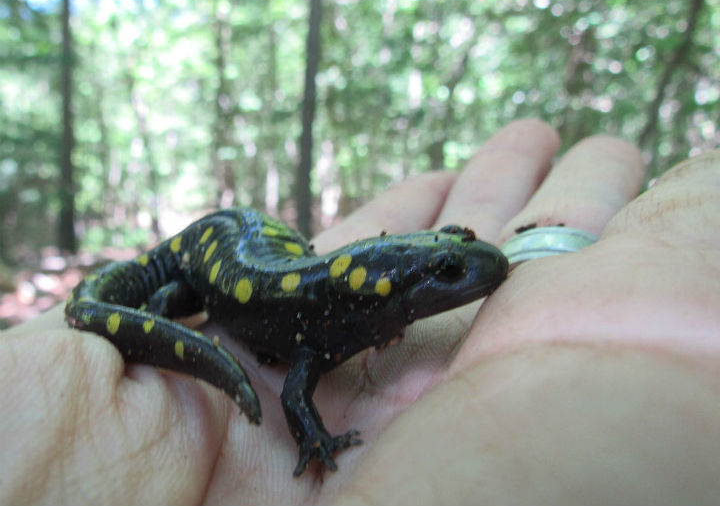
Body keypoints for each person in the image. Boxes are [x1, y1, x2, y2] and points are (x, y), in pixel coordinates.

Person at [1, 119, 718, 505]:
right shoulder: (324, 328)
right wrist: (312, 439)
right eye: (443, 271)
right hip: (198, 254)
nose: (467, 273)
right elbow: (294, 389)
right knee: (171, 300)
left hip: (247, 242)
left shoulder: (342, 309)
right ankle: (162, 304)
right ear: (389, 294)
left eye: (453, 258)